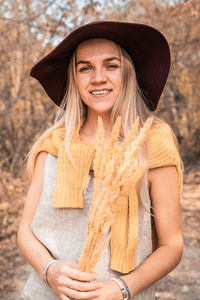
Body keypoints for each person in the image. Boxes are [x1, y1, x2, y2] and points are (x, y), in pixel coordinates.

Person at [17, 21, 183, 300]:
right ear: (74, 78)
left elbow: (172, 245)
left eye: (111, 65)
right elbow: (25, 230)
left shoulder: (153, 141)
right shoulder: (54, 144)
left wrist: (120, 289)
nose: (98, 78)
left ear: (127, 73)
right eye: (85, 68)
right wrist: (50, 270)